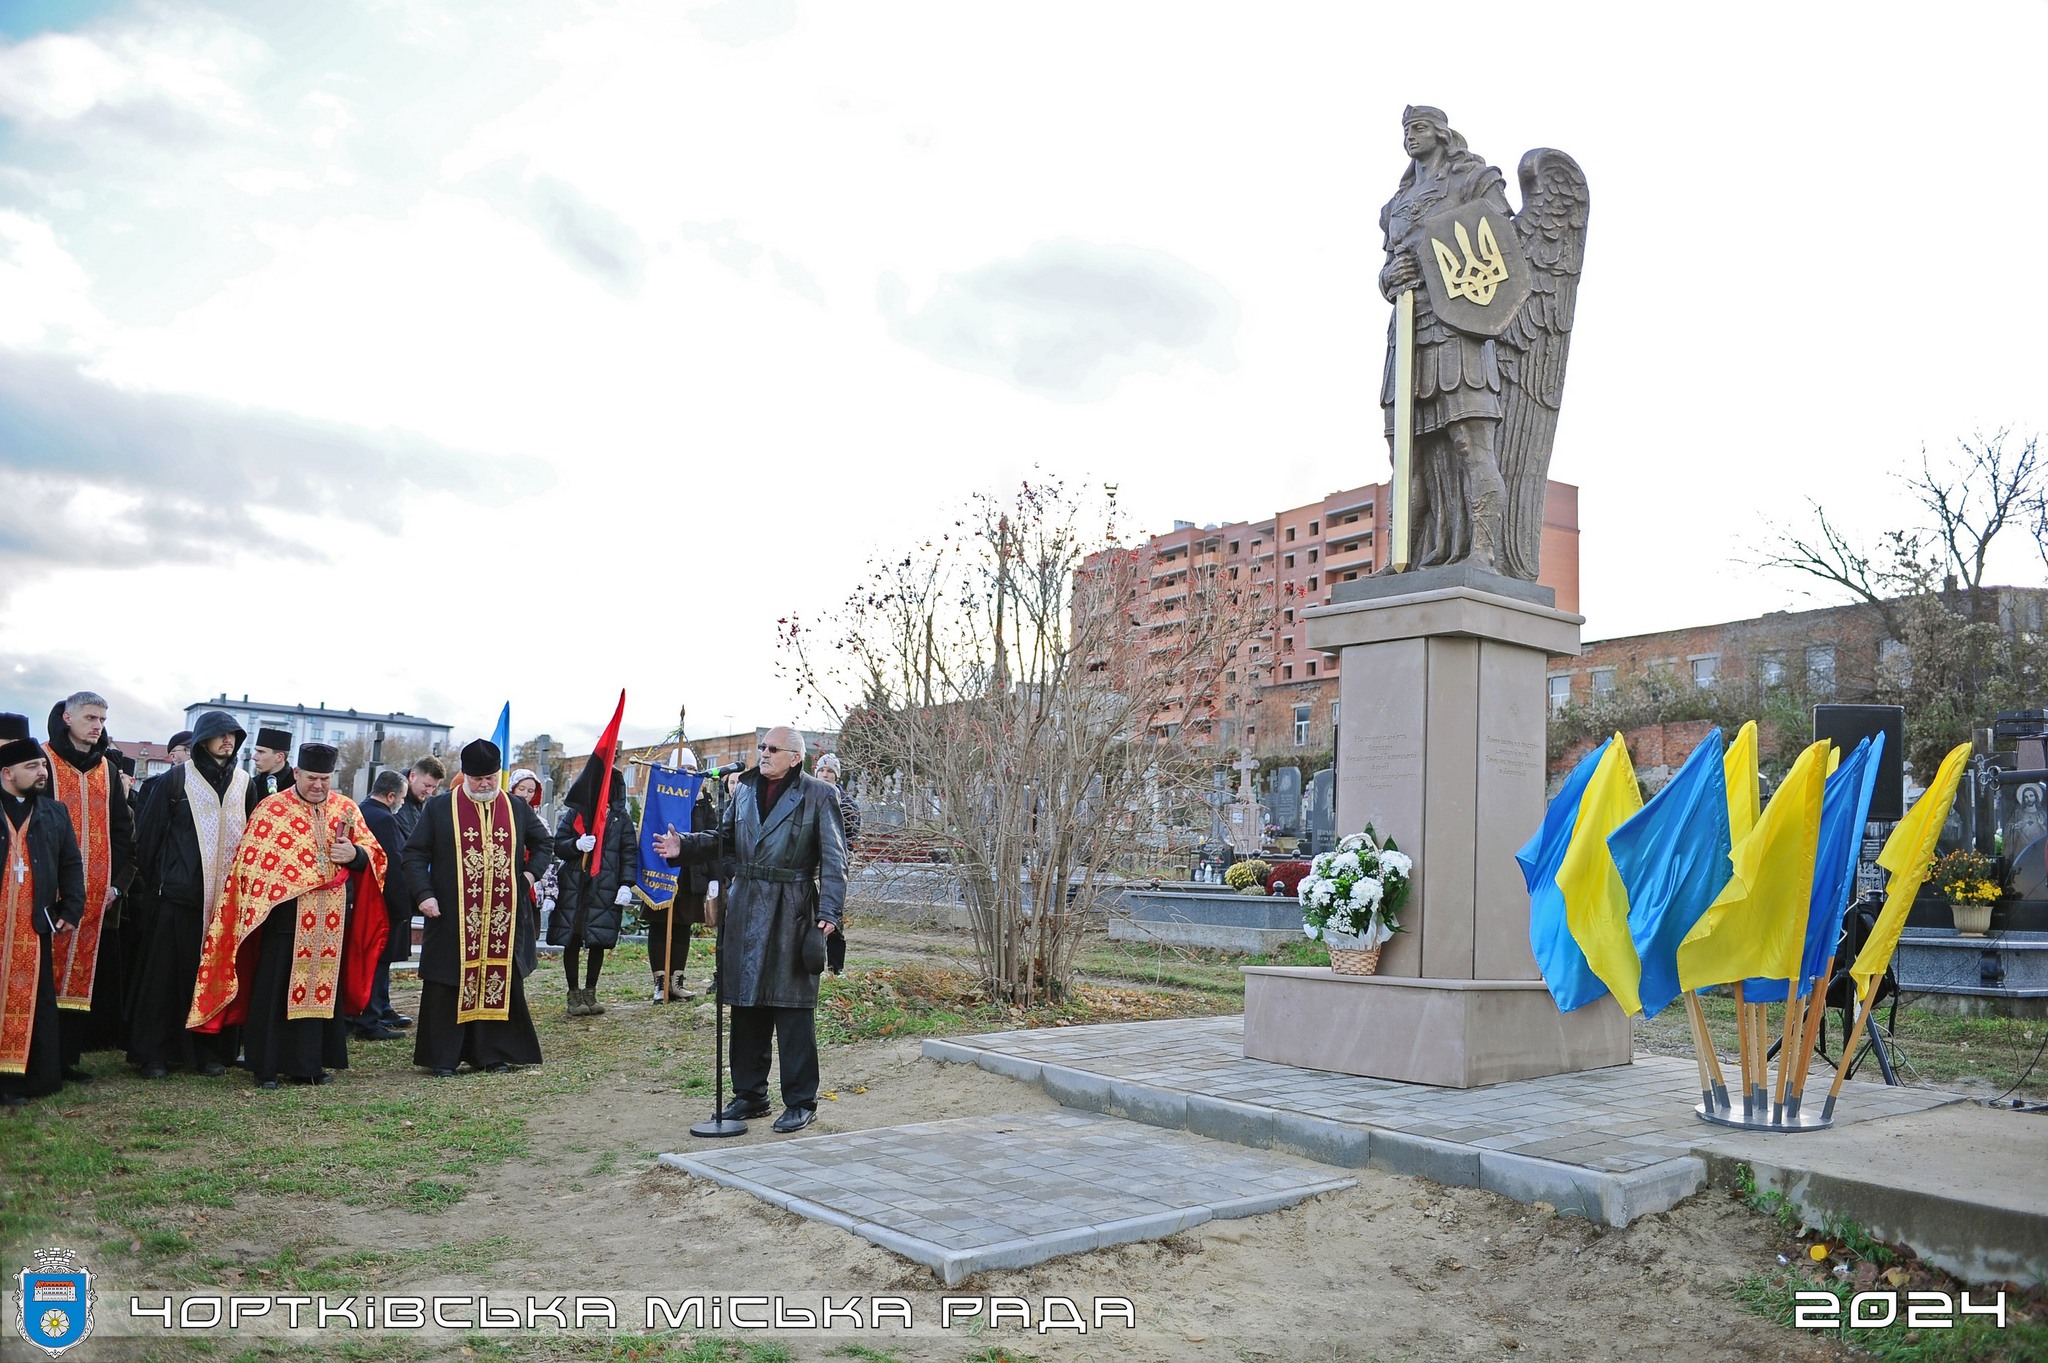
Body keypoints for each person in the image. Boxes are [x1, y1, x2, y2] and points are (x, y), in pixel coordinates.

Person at [655, 725, 845, 1134]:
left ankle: (799, 1100)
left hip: (792, 907)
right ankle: (750, 1094)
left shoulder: (819, 794)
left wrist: (829, 911)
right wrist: (684, 846)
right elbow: (723, 839)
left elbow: (834, 858)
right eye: (761, 747)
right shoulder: (743, 790)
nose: (764, 753)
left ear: (796, 757)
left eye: (773, 748)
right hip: (744, 906)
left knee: (791, 1008)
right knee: (745, 1006)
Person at [188, 743, 389, 1088]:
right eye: (312, 778)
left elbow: (374, 853)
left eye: (325, 779)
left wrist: (354, 854)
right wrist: (283, 886)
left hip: (330, 920)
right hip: (283, 918)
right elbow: (250, 865)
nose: (319, 785)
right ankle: (266, 1067)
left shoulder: (346, 808)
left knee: (320, 989)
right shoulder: (272, 809)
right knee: (275, 990)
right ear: (297, 773)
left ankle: (308, 1065)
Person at [1378, 105, 1515, 571]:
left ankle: (1484, 552)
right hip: (1407, 331)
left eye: (1418, 128)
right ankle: (1404, 561)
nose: (1410, 137)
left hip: (1459, 330)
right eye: (1405, 131)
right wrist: (1388, 275)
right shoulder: (1395, 206)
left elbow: (1502, 246)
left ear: (1440, 132)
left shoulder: (1473, 181)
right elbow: (1387, 270)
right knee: (1406, 459)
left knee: (1470, 444)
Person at [401, 739, 553, 1076]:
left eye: (490, 778)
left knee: (495, 978)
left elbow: (543, 843)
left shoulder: (515, 807)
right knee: (449, 981)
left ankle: (492, 1054)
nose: (484, 784)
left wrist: (529, 875)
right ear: (464, 775)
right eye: (477, 778)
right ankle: (443, 1057)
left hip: (502, 916)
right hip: (452, 915)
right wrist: (424, 894)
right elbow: (414, 854)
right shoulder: (440, 807)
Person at [125, 710, 250, 1078]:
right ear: (202, 739)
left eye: (233, 735)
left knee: (211, 978)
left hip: (225, 905)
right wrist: (165, 884)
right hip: (177, 900)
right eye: (220, 734)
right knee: (162, 980)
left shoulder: (244, 783)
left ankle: (207, 1052)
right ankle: (154, 1054)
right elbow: (148, 840)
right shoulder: (176, 780)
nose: (227, 741)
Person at [44, 692, 137, 1071]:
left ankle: (67, 1060)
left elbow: (123, 830)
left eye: (101, 719)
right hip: (47, 893)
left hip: (98, 896)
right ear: (67, 718)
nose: (97, 725)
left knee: (82, 976)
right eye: (89, 717)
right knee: (42, 975)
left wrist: (118, 884)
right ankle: (39, 1060)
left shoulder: (107, 770)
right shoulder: (44, 762)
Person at [0, 713, 86, 1107]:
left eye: (41, 766)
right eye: (32, 766)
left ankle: (26, 1078)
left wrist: (72, 905)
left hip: (33, 926)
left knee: (30, 1000)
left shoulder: (54, 812)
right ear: (7, 773)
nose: (42, 773)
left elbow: (71, 862)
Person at [550, 765, 640, 1016]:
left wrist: (626, 883)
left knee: (598, 938)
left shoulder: (620, 818)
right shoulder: (578, 813)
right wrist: (576, 844)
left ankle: (591, 991)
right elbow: (559, 845)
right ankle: (573, 992)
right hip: (576, 886)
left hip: (606, 885)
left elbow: (628, 852)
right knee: (573, 937)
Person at [348, 768, 416, 1041]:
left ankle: (375, 1010)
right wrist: (404, 906)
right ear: (391, 797)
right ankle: (370, 1019)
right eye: (401, 798)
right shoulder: (385, 820)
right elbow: (394, 865)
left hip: (360, 899)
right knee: (377, 962)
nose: (401, 803)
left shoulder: (359, 811)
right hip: (381, 902)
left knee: (368, 961)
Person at [645, 749, 717, 1003]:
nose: (685, 772)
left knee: (682, 927)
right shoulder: (661, 795)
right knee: (660, 925)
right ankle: (660, 983)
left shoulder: (702, 799)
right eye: (680, 768)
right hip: (662, 868)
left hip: (689, 871)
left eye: (689, 767)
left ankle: (676, 982)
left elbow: (711, 835)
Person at [244, 727, 295, 814]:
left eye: (261, 752)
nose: (254, 757)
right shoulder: (251, 784)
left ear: (279, 757)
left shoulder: (297, 786)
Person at [396, 756, 444, 841]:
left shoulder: (429, 803)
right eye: (427, 785)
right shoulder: (392, 799)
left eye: (434, 787)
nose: (429, 791)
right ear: (412, 776)